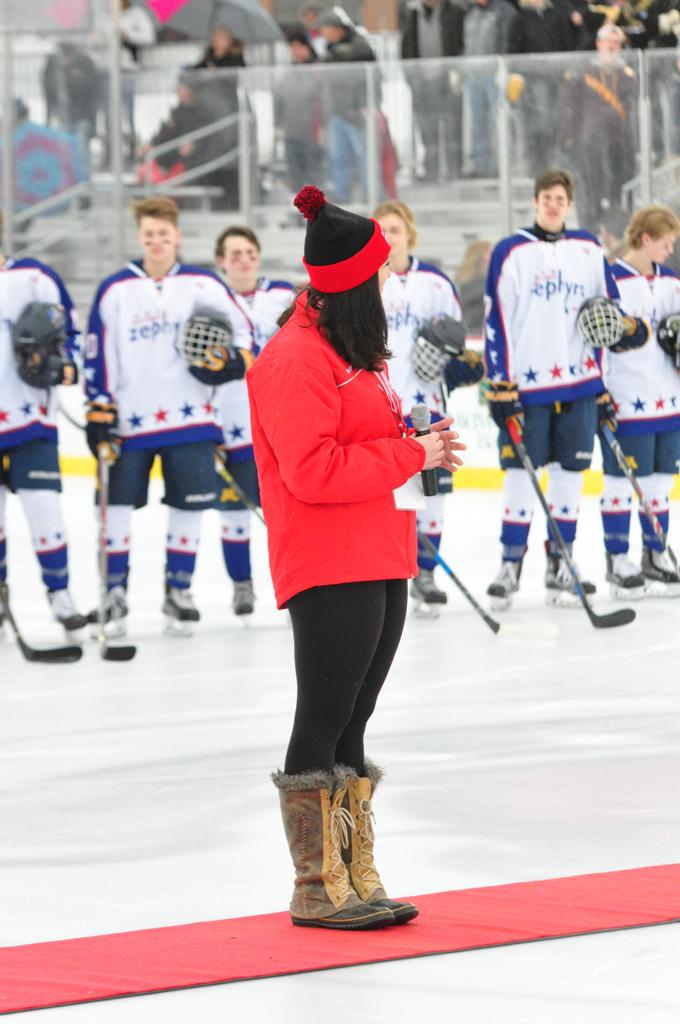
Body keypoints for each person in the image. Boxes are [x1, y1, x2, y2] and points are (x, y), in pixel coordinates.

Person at [247, 185, 465, 930]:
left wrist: (416, 442)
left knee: (355, 716)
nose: (386, 286)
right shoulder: (295, 358)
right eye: (377, 275)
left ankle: (352, 871)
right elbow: (312, 471)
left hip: (377, 547)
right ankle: (316, 885)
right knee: (325, 713)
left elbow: (364, 441)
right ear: (350, 285)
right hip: (329, 556)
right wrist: (409, 454)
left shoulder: (351, 351)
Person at [83, 197, 252, 635]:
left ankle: (178, 591)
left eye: (163, 234)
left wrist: (231, 360)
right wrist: (98, 407)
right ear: (139, 238)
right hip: (129, 421)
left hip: (192, 418)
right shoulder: (115, 289)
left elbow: (242, 335)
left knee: (188, 507)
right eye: (149, 235)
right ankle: (113, 594)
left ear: (176, 236)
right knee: (115, 508)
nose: (156, 242)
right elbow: (97, 351)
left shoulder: (203, 284)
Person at [483, 168, 649, 610]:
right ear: (535, 202)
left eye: (560, 199)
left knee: (569, 479)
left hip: (579, 387)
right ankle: (510, 565)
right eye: (546, 198)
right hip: (526, 389)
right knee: (519, 477)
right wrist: (500, 383)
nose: (553, 205)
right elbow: (497, 319)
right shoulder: (511, 251)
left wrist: (606, 377)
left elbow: (609, 313)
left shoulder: (589, 249)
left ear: (569, 205)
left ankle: (562, 563)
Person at [375, 200, 483, 610]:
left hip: (426, 407)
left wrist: (459, 366)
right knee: (398, 502)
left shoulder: (435, 283)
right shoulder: (368, 282)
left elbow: (454, 345)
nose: (390, 237)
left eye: (395, 229)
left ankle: (426, 573)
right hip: (384, 406)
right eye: (382, 230)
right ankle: (397, 574)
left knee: (432, 496)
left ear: (410, 233)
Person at [0, 208, 86, 634]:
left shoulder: (35, 276)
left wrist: (64, 365)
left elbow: (71, 334)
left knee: (45, 513)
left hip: (30, 421)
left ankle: (59, 594)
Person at [213, 225, 295, 615]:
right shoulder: (209, 298)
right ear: (221, 262)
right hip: (231, 421)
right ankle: (241, 585)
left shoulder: (282, 295)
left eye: (250, 253)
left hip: (283, 422)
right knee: (234, 511)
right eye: (235, 255)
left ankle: (296, 587)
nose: (244, 261)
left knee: (290, 514)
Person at [599, 204, 680, 597]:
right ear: (646, 239)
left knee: (661, 482)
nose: (670, 250)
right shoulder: (610, 281)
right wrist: (599, 391)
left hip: (670, 401)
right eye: (666, 243)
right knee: (620, 482)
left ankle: (655, 554)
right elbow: (598, 340)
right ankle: (617, 559)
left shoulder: (672, 282)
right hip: (626, 401)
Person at [560, 24, 638, 232]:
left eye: (616, 43)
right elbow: (569, 106)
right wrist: (570, 136)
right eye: (608, 42)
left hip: (619, 142)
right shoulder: (583, 72)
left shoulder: (629, 75)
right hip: (589, 142)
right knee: (590, 189)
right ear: (598, 44)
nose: (611, 47)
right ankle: (591, 230)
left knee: (618, 190)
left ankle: (616, 232)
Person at [139, 74, 237, 205]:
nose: (178, 92)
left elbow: (210, 141)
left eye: (182, 88)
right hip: (176, 160)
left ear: (191, 90)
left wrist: (194, 146)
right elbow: (167, 133)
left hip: (196, 165)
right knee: (149, 171)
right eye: (178, 88)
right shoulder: (179, 112)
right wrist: (152, 145)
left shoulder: (204, 112)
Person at [400, 0, 465, 182]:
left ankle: (454, 171)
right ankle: (432, 171)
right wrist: (411, 77)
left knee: (452, 128)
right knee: (427, 130)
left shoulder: (454, 12)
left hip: (447, 81)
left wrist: (458, 72)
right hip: (422, 82)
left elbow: (461, 43)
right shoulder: (413, 15)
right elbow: (406, 47)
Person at [319, 9, 377, 202]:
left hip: (357, 111)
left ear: (338, 29)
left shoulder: (359, 45)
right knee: (338, 156)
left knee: (363, 154)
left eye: (326, 29)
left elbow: (370, 74)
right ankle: (342, 193)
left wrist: (366, 104)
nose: (324, 34)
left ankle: (370, 192)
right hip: (337, 110)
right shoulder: (330, 49)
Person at [462, 0, 518, 178]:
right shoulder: (471, 13)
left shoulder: (503, 10)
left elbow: (508, 41)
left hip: (495, 75)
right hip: (474, 75)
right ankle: (481, 166)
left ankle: (502, 164)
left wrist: (504, 68)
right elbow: (465, 43)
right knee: (477, 123)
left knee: (499, 120)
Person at [278, 26, 325, 195]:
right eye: (292, 48)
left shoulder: (319, 70)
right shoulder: (288, 73)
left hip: (312, 133)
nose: (295, 52)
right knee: (295, 178)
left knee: (315, 177)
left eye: (298, 47)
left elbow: (325, 99)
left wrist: (324, 127)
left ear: (307, 47)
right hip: (292, 132)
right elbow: (280, 98)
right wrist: (278, 125)